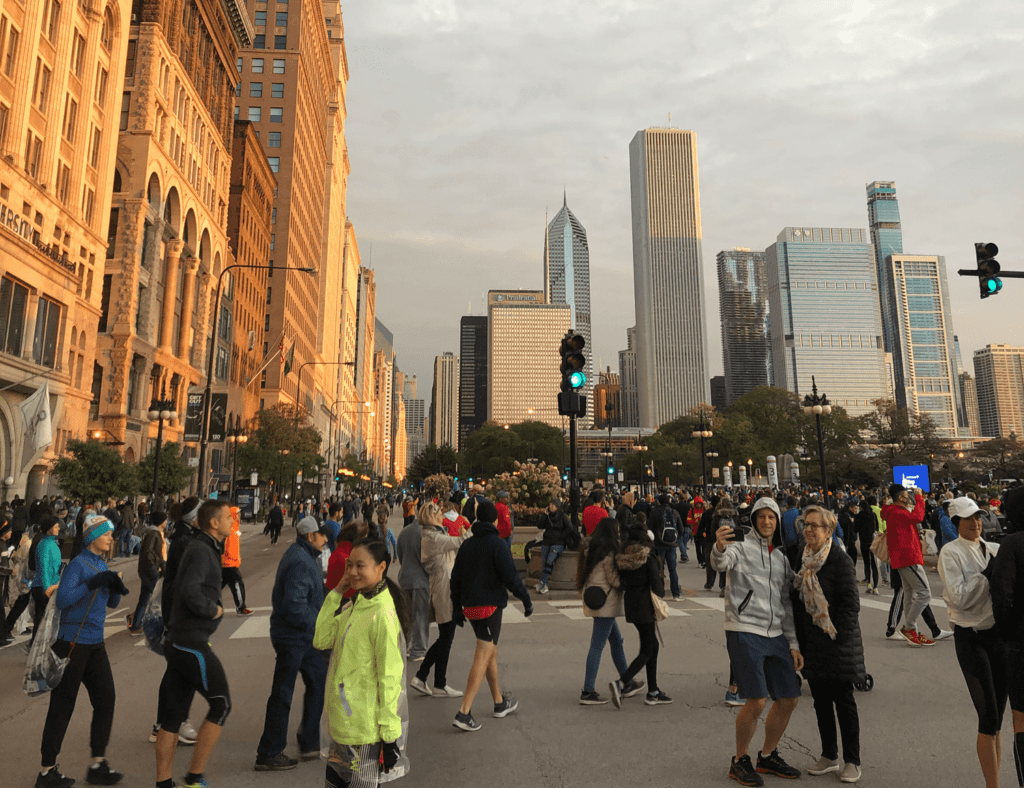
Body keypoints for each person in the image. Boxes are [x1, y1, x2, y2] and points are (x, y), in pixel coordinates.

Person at [710, 497, 804, 787]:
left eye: (771, 517)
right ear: (753, 520)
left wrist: (793, 643)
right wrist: (719, 547)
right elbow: (720, 563)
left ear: (777, 522)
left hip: (775, 633)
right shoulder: (740, 548)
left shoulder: (781, 558)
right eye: (761, 517)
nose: (766, 522)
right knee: (757, 700)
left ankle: (767, 755)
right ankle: (740, 760)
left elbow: (786, 602)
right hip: (744, 629)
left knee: (789, 696)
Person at [35, 515, 128, 788]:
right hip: (71, 644)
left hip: (95, 645)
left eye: (111, 533)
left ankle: (98, 763)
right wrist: (93, 582)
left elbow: (110, 604)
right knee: (62, 709)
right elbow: (62, 600)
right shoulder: (78, 564)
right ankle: (46, 772)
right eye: (106, 533)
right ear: (92, 538)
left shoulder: (101, 563)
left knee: (106, 699)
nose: (111, 537)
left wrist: (116, 588)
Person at [314, 538, 411, 786]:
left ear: (381, 568)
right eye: (349, 566)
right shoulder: (357, 604)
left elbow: (390, 678)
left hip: (364, 734)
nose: (353, 572)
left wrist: (390, 738)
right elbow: (322, 639)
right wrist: (336, 592)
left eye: (360, 566)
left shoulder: (382, 614)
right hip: (343, 727)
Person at [154, 499, 235, 788]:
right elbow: (189, 590)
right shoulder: (201, 550)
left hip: (180, 641)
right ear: (213, 523)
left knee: (173, 717)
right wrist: (212, 609)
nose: (232, 521)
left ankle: (164, 783)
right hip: (191, 642)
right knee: (221, 704)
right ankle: (194, 777)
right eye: (227, 517)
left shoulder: (203, 547)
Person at [792, 506, 865, 784]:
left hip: (836, 641)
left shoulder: (839, 560)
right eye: (806, 525)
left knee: (844, 702)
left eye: (815, 526)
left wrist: (839, 637)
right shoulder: (804, 558)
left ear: (828, 531)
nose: (809, 530)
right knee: (821, 702)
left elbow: (850, 605)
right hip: (813, 642)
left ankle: (852, 760)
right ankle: (829, 755)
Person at [254, 516, 331, 771]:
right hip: (294, 636)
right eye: (322, 535)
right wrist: (318, 624)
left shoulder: (303, 555)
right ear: (311, 536)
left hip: (299, 636)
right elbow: (294, 605)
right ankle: (270, 751)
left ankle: (309, 740)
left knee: (317, 680)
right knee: (283, 692)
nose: (326, 539)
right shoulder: (300, 560)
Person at [449, 499, 533, 731]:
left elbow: (455, 578)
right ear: (495, 520)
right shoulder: (497, 545)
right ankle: (464, 711)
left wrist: (456, 607)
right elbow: (511, 577)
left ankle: (499, 702)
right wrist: (526, 600)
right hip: (490, 606)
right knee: (483, 653)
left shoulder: (468, 545)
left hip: (469, 606)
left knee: (490, 653)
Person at [940, 497, 1005, 788]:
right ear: (956, 523)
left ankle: (996, 780)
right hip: (971, 637)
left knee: (999, 719)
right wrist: (987, 576)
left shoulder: (994, 548)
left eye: (978, 517)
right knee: (988, 716)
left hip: (998, 636)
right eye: (968, 519)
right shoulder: (949, 553)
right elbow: (959, 598)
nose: (976, 523)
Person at [577, 517, 643, 705]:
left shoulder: (593, 550)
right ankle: (588, 691)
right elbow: (614, 580)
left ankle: (627, 681)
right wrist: (627, 583)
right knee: (597, 646)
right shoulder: (609, 553)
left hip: (597, 599)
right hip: (606, 603)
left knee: (616, 641)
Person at [412, 501, 470, 697]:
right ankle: (430, 679)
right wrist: (478, 524)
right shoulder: (434, 538)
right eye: (438, 512)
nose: (442, 514)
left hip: (443, 586)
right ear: (431, 516)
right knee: (446, 636)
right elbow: (460, 541)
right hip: (444, 589)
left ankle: (434, 681)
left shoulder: (434, 535)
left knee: (446, 636)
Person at [609, 523, 669, 708]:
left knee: (651, 645)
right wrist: (660, 594)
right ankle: (622, 683)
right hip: (645, 603)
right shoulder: (648, 554)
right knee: (648, 649)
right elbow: (656, 581)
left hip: (631, 602)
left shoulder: (623, 556)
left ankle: (653, 691)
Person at [991, 486, 1024, 788]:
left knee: (1022, 722)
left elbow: (1002, 598)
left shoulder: (1012, 544)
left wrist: (1007, 634)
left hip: (1020, 645)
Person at [883, 484, 935, 647]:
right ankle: (909, 627)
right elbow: (918, 516)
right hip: (908, 556)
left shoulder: (891, 512)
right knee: (924, 593)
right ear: (900, 497)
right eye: (907, 495)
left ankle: (913, 631)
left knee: (910, 593)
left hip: (902, 557)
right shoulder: (899, 513)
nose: (909, 498)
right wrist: (920, 498)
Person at [396, 505, 430, 662]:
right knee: (421, 616)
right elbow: (427, 560)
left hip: (405, 578)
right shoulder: (424, 534)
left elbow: (400, 553)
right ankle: (418, 649)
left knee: (406, 615)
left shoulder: (405, 531)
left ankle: (403, 646)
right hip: (421, 581)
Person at [127, 511, 167, 634]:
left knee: (146, 597)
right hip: (150, 570)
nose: (167, 522)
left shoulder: (156, 533)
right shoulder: (153, 533)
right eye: (165, 519)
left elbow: (157, 553)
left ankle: (136, 621)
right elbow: (149, 552)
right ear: (161, 521)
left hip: (150, 569)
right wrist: (154, 567)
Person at [29, 515, 63, 647]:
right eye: (56, 526)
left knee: (43, 618)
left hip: (50, 585)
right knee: (43, 618)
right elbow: (43, 568)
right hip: (43, 586)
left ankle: (38, 646)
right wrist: (47, 588)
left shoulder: (52, 543)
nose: (58, 528)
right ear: (49, 529)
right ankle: (38, 647)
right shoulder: (44, 545)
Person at [536, 499, 573, 595]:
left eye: (553, 504)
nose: (551, 506)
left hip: (558, 542)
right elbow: (539, 526)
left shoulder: (563, 516)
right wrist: (544, 515)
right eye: (550, 504)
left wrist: (561, 536)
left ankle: (543, 582)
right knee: (544, 562)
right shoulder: (547, 516)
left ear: (557, 506)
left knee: (550, 560)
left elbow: (570, 527)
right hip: (546, 541)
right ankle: (544, 584)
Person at [220, 507, 252, 616]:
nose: (239, 515)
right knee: (237, 584)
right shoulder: (229, 529)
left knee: (217, 586)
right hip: (229, 563)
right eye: (238, 513)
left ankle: (204, 603)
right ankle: (241, 607)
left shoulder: (234, 528)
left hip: (229, 562)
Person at [651, 494, 682, 601]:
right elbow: (681, 529)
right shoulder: (674, 512)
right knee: (672, 570)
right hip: (672, 545)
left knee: (660, 569)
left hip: (659, 544)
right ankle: (676, 594)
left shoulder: (654, 512)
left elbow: (650, 528)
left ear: (658, 501)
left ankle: (660, 593)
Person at [856, 496, 880, 594]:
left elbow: (855, 529)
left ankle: (869, 584)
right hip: (873, 541)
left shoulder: (859, 516)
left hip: (864, 542)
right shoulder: (873, 515)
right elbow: (877, 527)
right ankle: (876, 587)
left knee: (867, 563)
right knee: (874, 564)